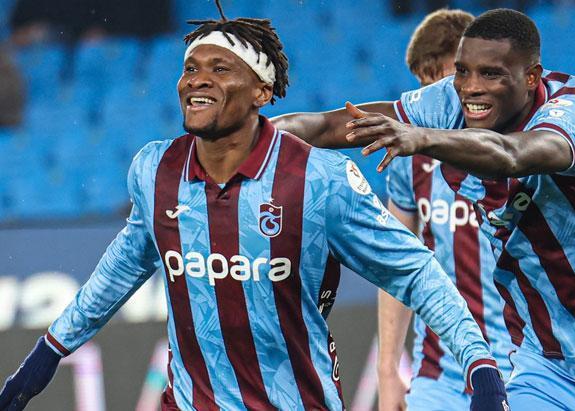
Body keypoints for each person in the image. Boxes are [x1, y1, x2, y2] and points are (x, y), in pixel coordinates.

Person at [0, 5, 508, 411]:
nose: (198, 80)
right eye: (191, 68)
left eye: (220, 69)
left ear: (262, 92)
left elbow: (413, 271)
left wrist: (477, 363)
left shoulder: (317, 179)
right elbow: (120, 269)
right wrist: (49, 353)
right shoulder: (155, 170)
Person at [273, 8, 575, 410]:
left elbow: (512, 155)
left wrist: (421, 137)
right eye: (462, 71)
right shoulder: (450, 103)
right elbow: (331, 125)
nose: (470, 87)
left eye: (491, 74)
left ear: (531, 77)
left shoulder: (574, 114)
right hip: (546, 364)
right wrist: (254, 134)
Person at [376, 8, 516, 411]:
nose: (428, 98)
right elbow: (396, 263)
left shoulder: (517, 149)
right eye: (422, 83)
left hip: (518, 365)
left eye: (438, 80)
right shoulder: (409, 158)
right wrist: (387, 369)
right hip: (438, 372)